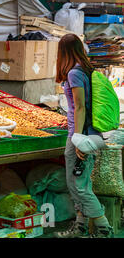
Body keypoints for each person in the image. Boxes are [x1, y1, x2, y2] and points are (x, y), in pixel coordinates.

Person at [54, 34, 113, 238]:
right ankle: (80, 227)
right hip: (86, 133)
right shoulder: (85, 70)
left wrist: (78, 140)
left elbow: (80, 107)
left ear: (63, 52)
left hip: (82, 135)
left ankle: (104, 229)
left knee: (79, 187)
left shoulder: (74, 73)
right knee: (78, 183)